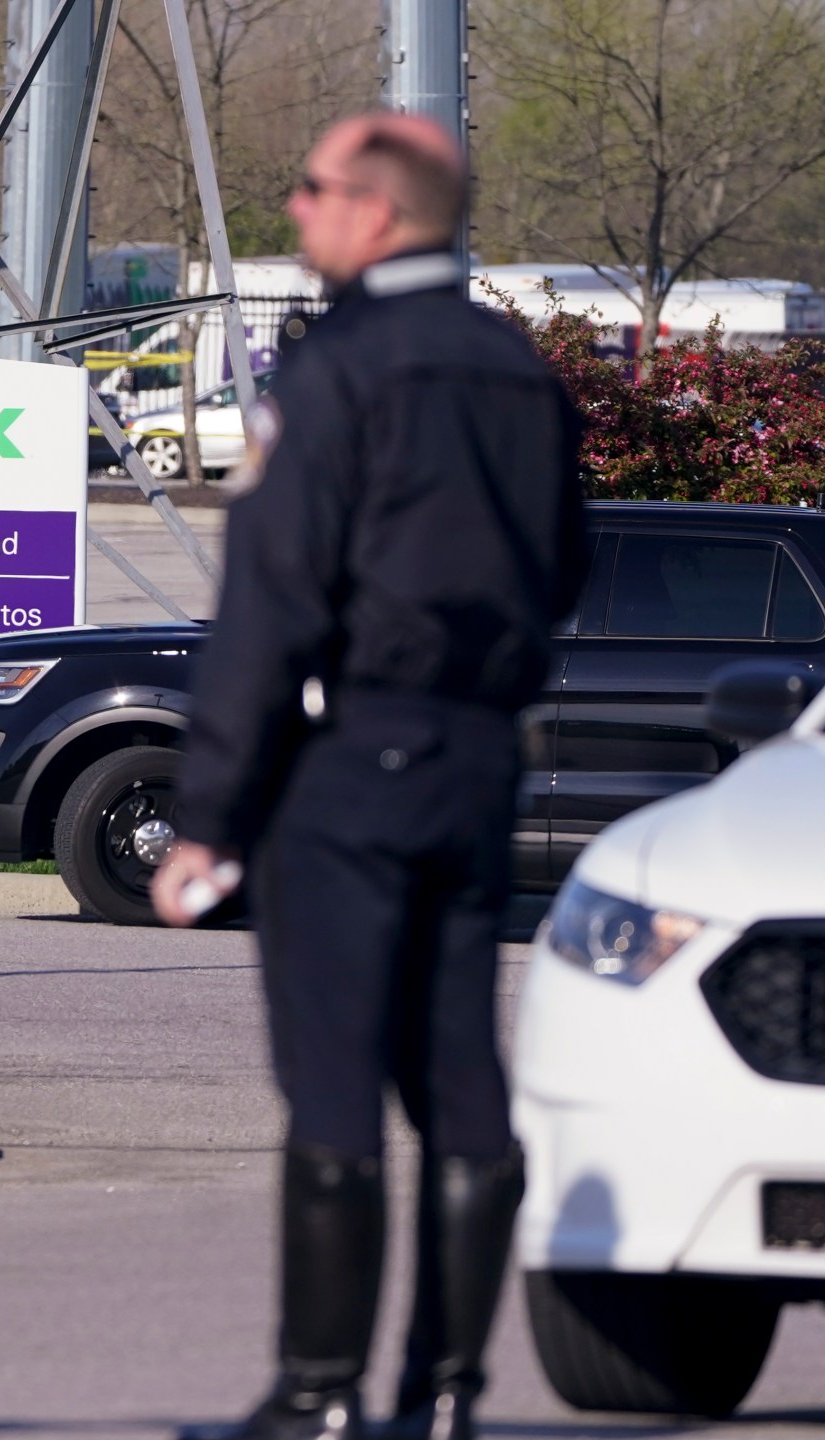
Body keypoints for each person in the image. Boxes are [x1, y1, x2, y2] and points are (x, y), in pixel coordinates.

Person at [152, 112, 587, 1440]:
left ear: (381, 213)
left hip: (350, 762)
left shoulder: (344, 368)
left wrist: (208, 814)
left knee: (334, 1078)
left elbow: (269, 604)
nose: (296, 210)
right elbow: (564, 567)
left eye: (313, 188)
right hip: (477, 760)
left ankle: (318, 1397)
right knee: (460, 1077)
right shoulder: (519, 370)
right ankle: (445, 1395)